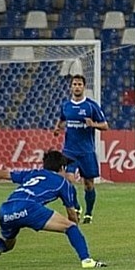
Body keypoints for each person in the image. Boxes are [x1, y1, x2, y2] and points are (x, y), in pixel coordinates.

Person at [0, 150, 106, 269]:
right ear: (62, 168)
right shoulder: (63, 183)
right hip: (28, 208)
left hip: (5, 209)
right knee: (70, 227)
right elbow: (72, 216)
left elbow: (4, 174)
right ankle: (87, 261)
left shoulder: (32, 174)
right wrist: (75, 222)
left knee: (8, 243)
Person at [53, 74, 109, 224]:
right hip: (69, 151)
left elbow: (105, 126)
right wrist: (58, 128)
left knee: (88, 184)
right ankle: (76, 206)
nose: (77, 87)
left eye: (79, 84)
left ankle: (89, 213)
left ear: (84, 87)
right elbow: (62, 120)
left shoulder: (91, 106)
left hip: (86, 151)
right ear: (71, 87)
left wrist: (93, 125)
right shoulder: (66, 106)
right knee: (68, 180)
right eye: (74, 84)